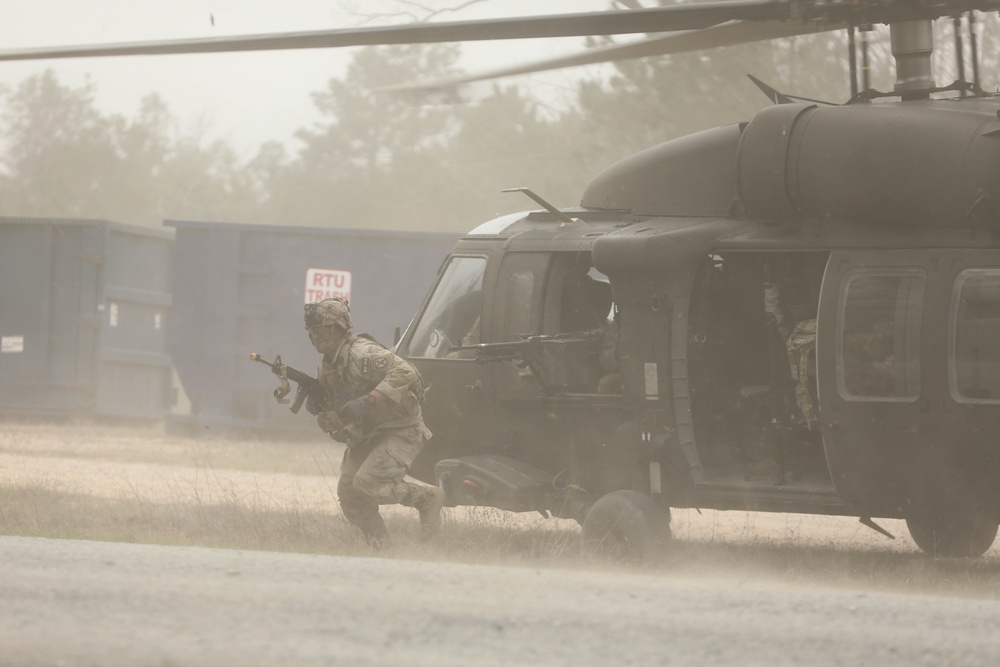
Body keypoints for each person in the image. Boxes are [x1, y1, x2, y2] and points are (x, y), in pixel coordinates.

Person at [303, 297, 444, 546]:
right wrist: (319, 407)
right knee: (349, 494)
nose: (316, 337)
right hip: (367, 435)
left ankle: (427, 499)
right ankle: (381, 547)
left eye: (322, 331)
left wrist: (368, 400)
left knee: (369, 483)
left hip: (401, 429)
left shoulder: (362, 353)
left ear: (337, 328)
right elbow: (337, 407)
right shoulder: (329, 366)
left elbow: (405, 371)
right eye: (312, 332)